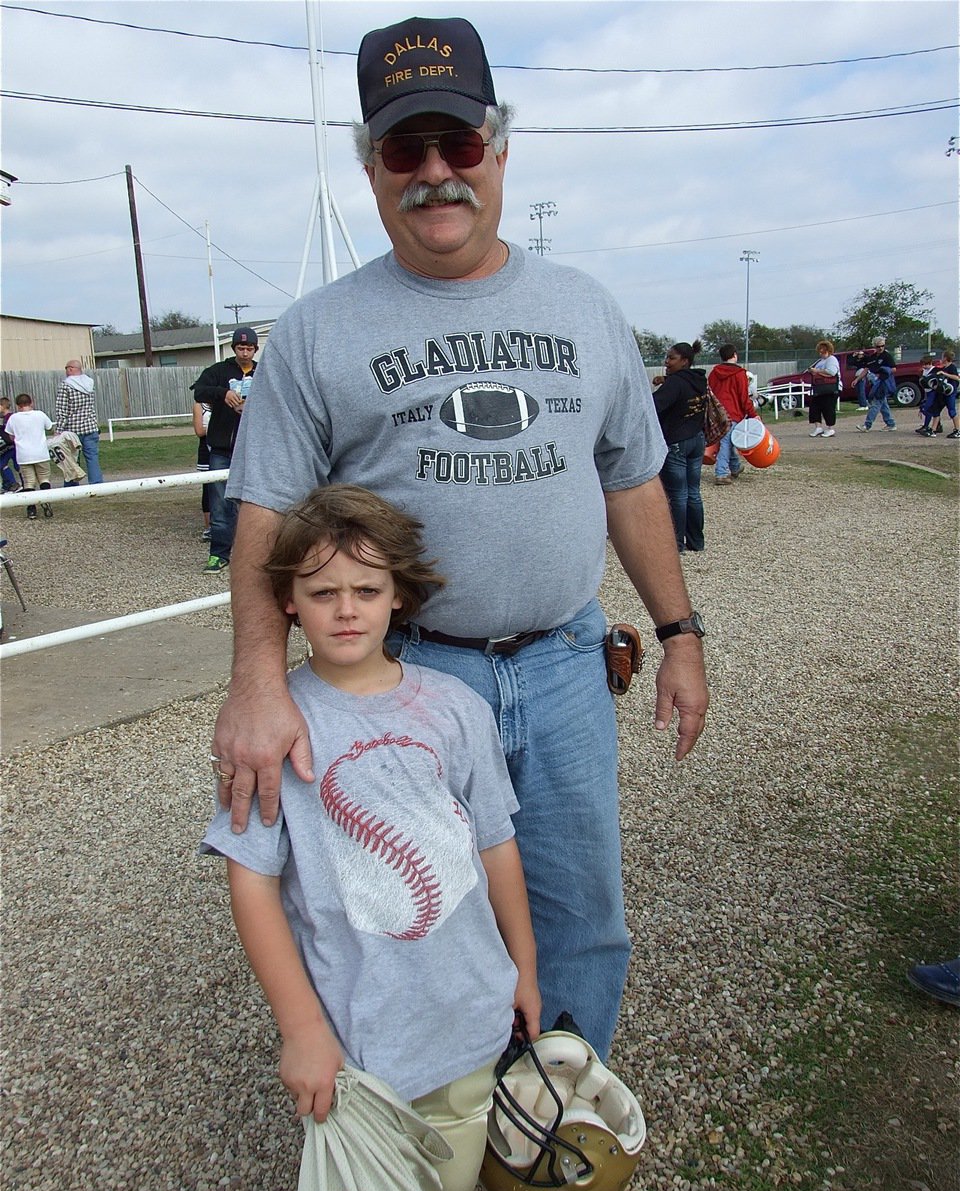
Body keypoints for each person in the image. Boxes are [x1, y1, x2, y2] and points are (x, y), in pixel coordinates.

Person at [211, 14, 708, 1061]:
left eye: (460, 145)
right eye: (405, 149)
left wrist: (680, 633)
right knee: (427, 913)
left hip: (569, 665)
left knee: (581, 914)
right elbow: (265, 516)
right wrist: (256, 681)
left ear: (501, 149)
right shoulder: (315, 334)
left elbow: (630, 478)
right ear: (373, 169)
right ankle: (455, 1111)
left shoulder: (583, 308)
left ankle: (555, 1116)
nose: (436, 173)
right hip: (406, 678)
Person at [200, 484, 541, 1191]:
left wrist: (525, 970)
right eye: (323, 592)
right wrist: (301, 1030)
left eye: (366, 588)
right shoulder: (277, 728)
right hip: (362, 1039)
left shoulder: (457, 708)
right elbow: (252, 881)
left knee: (452, 1178)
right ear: (289, 600)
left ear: (399, 597)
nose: (347, 609)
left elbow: (494, 844)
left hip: (471, 1015)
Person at [190, 327, 259, 573]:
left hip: (252, 449)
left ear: (255, 349)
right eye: (240, 348)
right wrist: (223, 393)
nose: (244, 352)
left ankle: (250, 556)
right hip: (221, 449)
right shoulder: (219, 371)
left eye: (249, 348)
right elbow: (198, 390)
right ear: (233, 349)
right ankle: (218, 555)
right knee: (219, 504)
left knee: (252, 503)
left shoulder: (263, 372)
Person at [652, 340, 708, 551]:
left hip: (677, 441)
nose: (667, 362)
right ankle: (696, 540)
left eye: (671, 358)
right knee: (693, 492)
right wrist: (665, 380)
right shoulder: (699, 380)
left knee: (678, 494)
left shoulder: (675, 384)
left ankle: (676, 543)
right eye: (666, 358)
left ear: (684, 361)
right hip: (696, 439)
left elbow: (653, 405)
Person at [708, 343, 757, 482]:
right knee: (726, 442)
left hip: (717, 412)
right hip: (732, 413)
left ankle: (735, 467)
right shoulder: (740, 374)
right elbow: (743, 397)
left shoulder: (714, 373)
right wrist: (753, 414)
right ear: (734, 355)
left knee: (726, 440)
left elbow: (709, 392)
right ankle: (721, 473)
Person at [5, 394, 53, 519]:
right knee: (44, 479)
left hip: (24, 455)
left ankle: (31, 509)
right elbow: (49, 427)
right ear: (31, 402)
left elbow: (10, 436)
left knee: (29, 482)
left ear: (17, 405)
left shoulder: (14, 418)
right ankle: (46, 502)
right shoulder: (40, 415)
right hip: (41, 453)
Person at [55, 359, 103, 484]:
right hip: (90, 426)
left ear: (70, 369)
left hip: (72, 429)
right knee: (92, 457)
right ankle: (96, 483)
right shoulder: (89, 383)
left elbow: (62, 410)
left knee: (71, 459)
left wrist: (59, 430)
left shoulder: (65, 385)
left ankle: (71, 484)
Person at [854, 336, 897, 431]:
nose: (880, 348)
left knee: (876, 403)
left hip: (883, 382)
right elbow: (866, 369)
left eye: (882, 346)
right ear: (875, 346)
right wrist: (857, 379)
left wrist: (883, 371)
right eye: (878, 346)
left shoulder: (887, 356)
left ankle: (867, 425)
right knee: (882, 403)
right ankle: (890, 423)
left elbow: (894, 369)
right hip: (875, 382)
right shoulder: (872, 357)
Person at [806, 339, 842, 438]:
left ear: (829, 350)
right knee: (815, 407)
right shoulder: (820, 361)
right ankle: (818, 427)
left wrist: (817, 371)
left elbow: (832, 372)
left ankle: (830, 428)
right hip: (819, 388)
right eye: (820, 351)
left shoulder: (832, 359)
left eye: (823, 351)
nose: (821, 353)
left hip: (831, 388)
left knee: (828, 407)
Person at [192, 398, 212, 540]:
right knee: (208, 489)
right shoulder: (199, 406)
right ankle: (209, 526)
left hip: (224, 448)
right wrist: (218, 427)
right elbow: (199, 430)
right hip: (206, 449)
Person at [0, 397, 23, 493]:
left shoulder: (10, 417)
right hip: (10, 446)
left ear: (2, 406)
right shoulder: (6, 417)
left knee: (17, 465)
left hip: (13, 446)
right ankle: (7, 485)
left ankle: (16, 484)